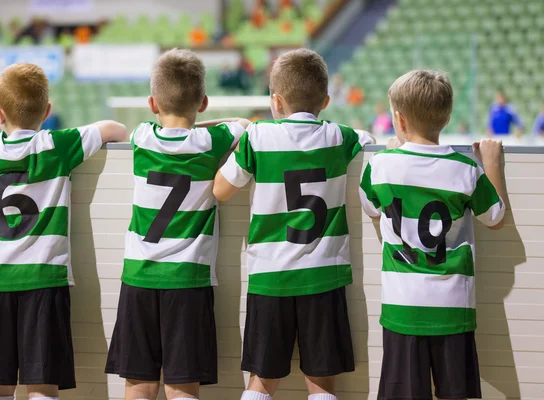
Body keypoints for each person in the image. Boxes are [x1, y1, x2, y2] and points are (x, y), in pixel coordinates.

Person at [0, 63, 128, 400]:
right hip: (46, 282)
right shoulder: (58, 146)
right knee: (43, 386)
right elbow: (115, 129)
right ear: (47, 111)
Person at [214, 48, 375, 400]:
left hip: (271, 277)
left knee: (261, 381)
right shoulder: (340, 137)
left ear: (276, 100)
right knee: (321, 383)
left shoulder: (257, 138)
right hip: (323, 276)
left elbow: (221, 190)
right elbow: (368, 141)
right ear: (326, 100)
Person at [105, 49, 249, 400]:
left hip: (139, 277)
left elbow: (159, 127)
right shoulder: (211, 142)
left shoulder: (141, 136)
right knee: (182, 387)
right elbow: (244, 126)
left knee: (138, 384)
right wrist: (199, 121)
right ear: (203, 102)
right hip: (188, 280)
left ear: (152, 104)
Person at [359, 70, 506, 400]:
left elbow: (370, 207)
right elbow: (495, 217)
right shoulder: (466, 169)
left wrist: (394, 149)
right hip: (453, 307)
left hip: (403, 308)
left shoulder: (381, 166)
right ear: (447, 115)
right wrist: (492, 164)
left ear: (398, 119)